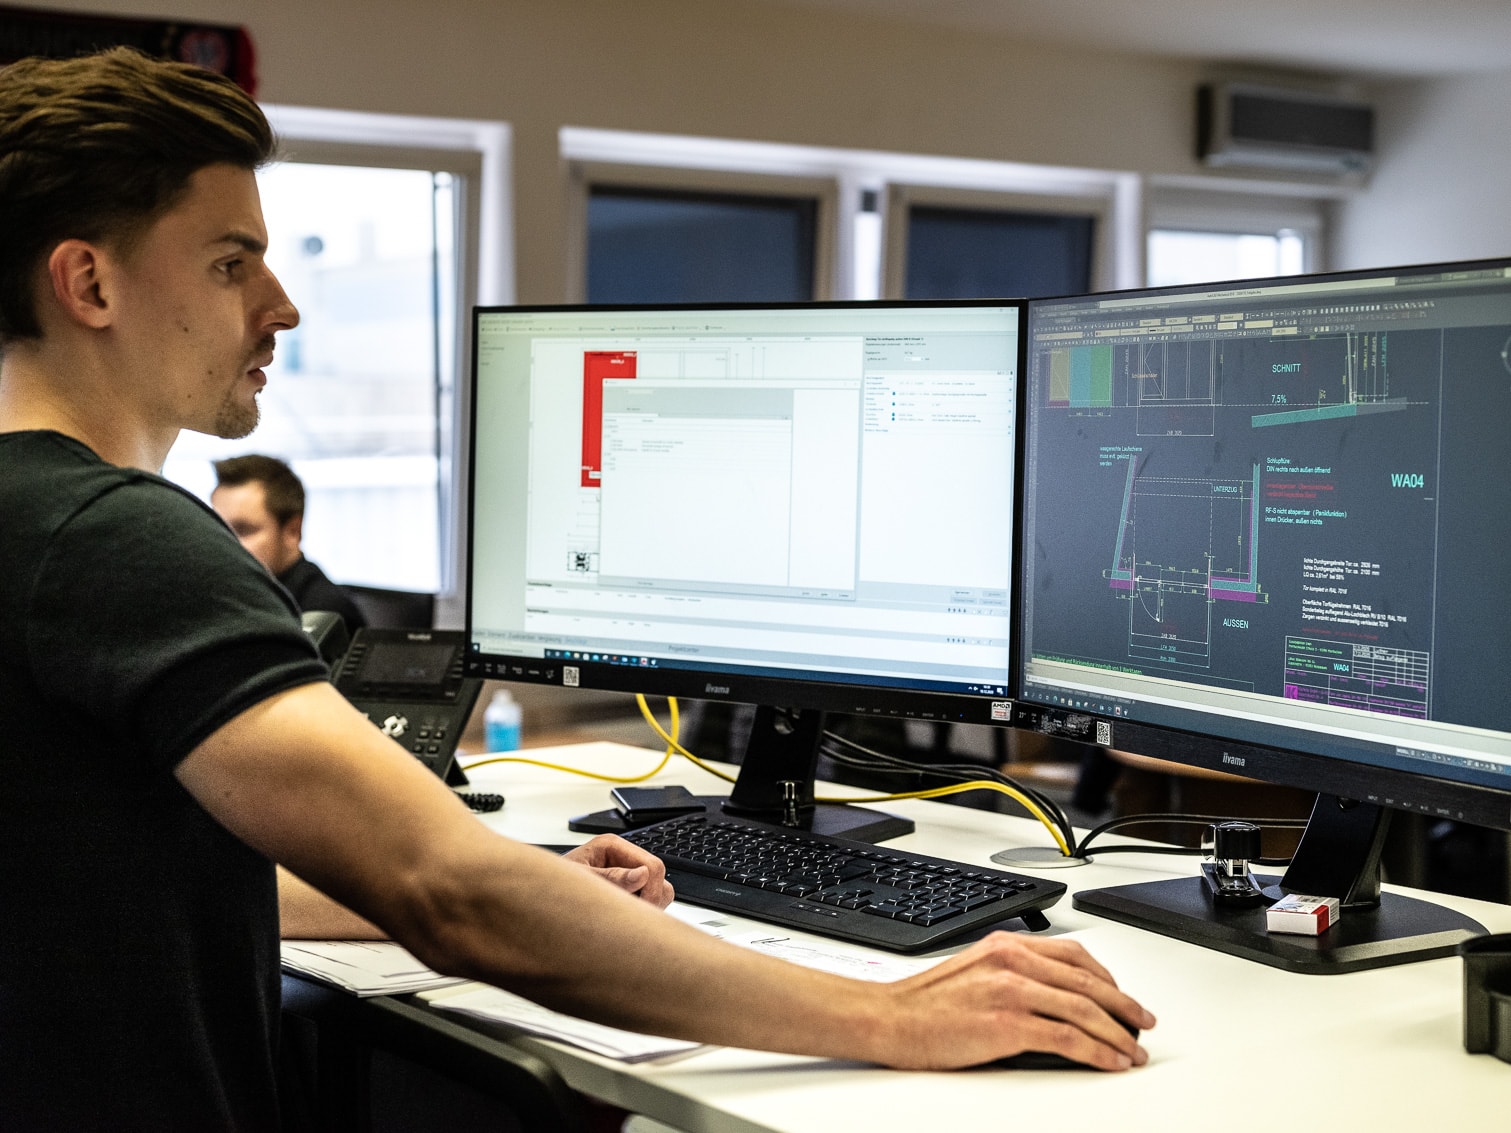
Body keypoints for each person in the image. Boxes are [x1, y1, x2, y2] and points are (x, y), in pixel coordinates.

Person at [0, 47, 1154, 1131]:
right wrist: (893, 1014)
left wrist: (537, 875)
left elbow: (132, 876)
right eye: (228, 261)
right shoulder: (117, 536)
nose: (281, 305)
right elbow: (449, 893)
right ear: (87, 281)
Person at [210, 452, 368, 630]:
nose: (226, 543)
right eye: (218, 528)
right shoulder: (238, 597)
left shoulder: (324, 612)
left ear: (292, 531)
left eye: (244, 530)